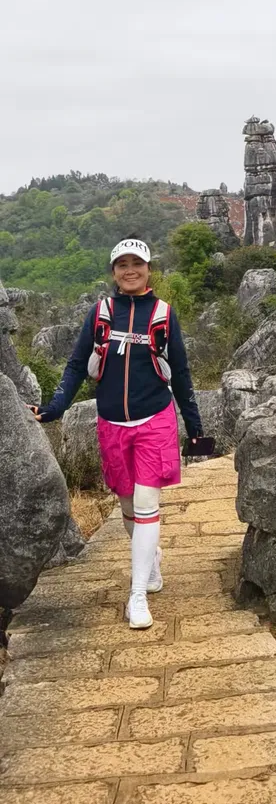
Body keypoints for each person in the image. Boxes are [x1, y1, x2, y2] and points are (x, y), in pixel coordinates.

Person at [35, 237, 203, 630]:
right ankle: (150, 562)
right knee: (127, 507)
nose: (130, 270)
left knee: (146, 503)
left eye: (137, 263)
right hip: (112, 422)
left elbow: (180, 372)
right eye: (122, 264)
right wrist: (53, 408)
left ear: (148, 268)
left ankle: (138, 594)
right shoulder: (101, 313)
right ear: (114, 272)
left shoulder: (162, 313)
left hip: (154, 419)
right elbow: (77, 366)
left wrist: (195, 428)